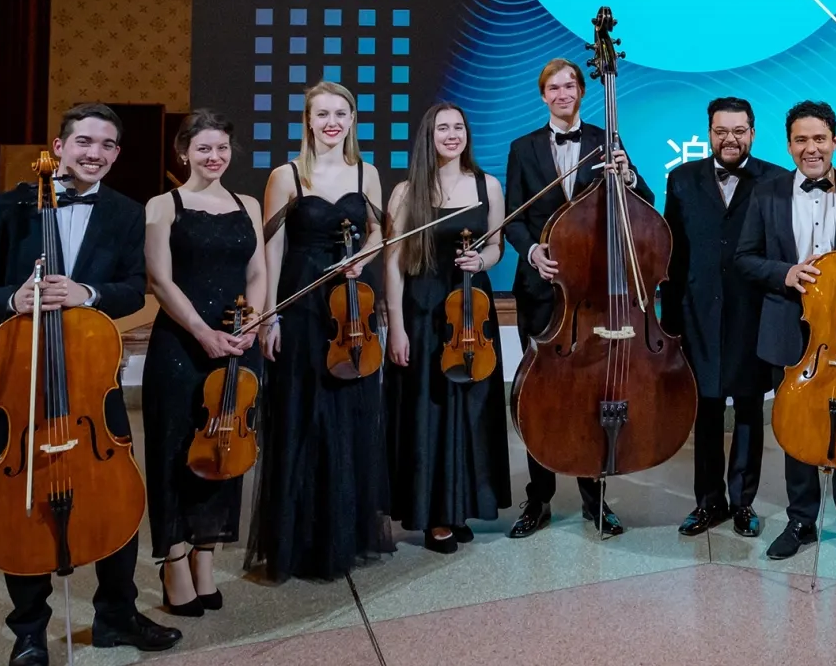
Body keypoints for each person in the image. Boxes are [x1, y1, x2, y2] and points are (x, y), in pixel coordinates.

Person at [0, 103, 181, 665]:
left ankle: (117, 616)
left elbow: (132, 288)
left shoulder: (127, 213)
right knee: (19, 507)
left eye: (105, 145)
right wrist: (11, 299)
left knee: (116, 493)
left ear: (116, 154)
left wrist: (89, 295)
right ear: (58, 147)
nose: (93, 153)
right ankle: (29, 631)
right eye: (83, 142)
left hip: (91, 388)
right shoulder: (6, 208)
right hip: (19, 388)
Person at [734, 100, 836, 564]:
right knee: (798, 423)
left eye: (820, 139)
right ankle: (801, 520)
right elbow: (745, 259)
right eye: (801, 140)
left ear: (835, 142)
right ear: (789, 145)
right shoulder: (766, 193)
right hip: (792, 324)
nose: (811, 148)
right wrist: (785, 273)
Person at [247, 80, 393, 581]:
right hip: (304, 309)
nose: (332, 121)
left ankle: (343, 539)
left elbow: (378, 233)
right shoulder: (286, 176)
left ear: (353, 121)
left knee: (348, 418)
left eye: (342, 113)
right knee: (301, 419)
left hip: (350, 312)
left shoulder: (366, 173)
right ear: (308, 120)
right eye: (322, 113)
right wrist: (269, 317)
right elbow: (271, 250)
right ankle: (298, 544)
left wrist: (362, 259)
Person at [502, 57, 648, 537]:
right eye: (553, 87)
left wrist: (625, 176)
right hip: (542, 290)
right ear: (543, 95)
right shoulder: (522, 148)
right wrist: (532, 252)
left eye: (570, 86)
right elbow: (515, 218)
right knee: (538, 393)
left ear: (582, 91)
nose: (562, 94)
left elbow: (642, 202)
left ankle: (596, 500)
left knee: (592, 392)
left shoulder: (606, 140)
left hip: (592, 294)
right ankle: (538, 500)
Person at [142, 110, 266, 614]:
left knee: (225, 448)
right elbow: (160, 280)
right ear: (183, 153)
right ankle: (173, 559)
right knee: (175, 448)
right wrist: (201, 331)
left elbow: (257, 271)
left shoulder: (248, 204)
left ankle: (206, 557)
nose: (215, 158)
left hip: (238, 339)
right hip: (182, 343)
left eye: (222, 149)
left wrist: (252, 322)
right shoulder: (163, 204)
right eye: (204, 150)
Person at [384, 102, 511, 552]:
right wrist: (395, 327)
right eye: (443, 128)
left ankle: (461, 505)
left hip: (470, 312)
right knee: (429, 411)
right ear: (428, 136)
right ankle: (433, 514)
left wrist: (482, 260)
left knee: (471, 408)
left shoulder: (487, 186)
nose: (452, 135)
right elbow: (394, 264)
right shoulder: (406, 192)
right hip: (422, 311)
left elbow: (496, 247)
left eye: (459, 127)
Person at [662, 97, 786, 539]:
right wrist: (669, 320)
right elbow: (671, 253)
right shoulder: (680, 179)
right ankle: (708, 502)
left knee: (750, 410)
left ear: (752, 132)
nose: (729, 139)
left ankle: (744, 503)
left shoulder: (777, 179)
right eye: (721, 131)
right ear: (708, 132)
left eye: (739, 131)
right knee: (707, 411)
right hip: (696, 314)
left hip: (753, 313)